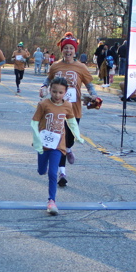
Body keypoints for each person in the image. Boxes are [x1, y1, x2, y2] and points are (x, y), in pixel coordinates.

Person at [41, 35, 98, 187]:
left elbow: (89, 84)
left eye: (71, 48)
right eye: (66, 48)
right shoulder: (55, 66)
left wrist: (94, 95)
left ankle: (69, 148)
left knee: (70, 139)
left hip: (74, 110)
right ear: (62, 50)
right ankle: (62, 173)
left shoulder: (81, 67)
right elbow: (48, 79)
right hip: (57, 109)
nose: (68, 50)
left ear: (75, 51)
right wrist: (43, 87)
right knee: (60, 140)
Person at [31, 76, 84, 216]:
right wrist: (36, 138)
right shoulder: (43, 104)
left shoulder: (68, 105)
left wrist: (77, 136)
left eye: (61, 92)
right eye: (54, 91)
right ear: (50, 90)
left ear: (65, 92)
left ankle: (51, 201)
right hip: (43, 143)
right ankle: (45, 168)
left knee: (53, 173)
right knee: (41, 171)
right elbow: (34, 122)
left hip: (58, 144)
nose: (57, 95)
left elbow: (72, 122)